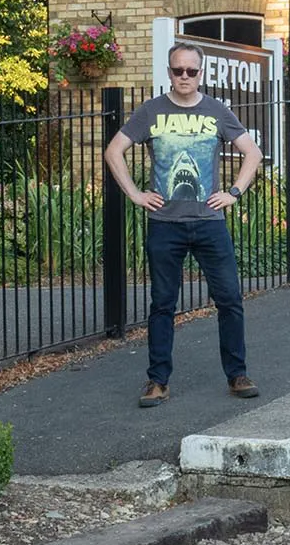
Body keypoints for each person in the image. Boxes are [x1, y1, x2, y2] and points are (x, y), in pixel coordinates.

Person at [104, 42, 263, 408]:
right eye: (178, 71)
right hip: (165, 225)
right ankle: (157, 381)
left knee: (229, 300)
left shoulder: (217, 111)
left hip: (210, 223)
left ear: (201, 72)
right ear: (169, 72)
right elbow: (114, 151)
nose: (185, 77)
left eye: (192, 71)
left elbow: (251, 153)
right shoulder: (151, 112)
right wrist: (135, 195)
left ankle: (237, 375)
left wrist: (235, 192)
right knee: (162, 304)